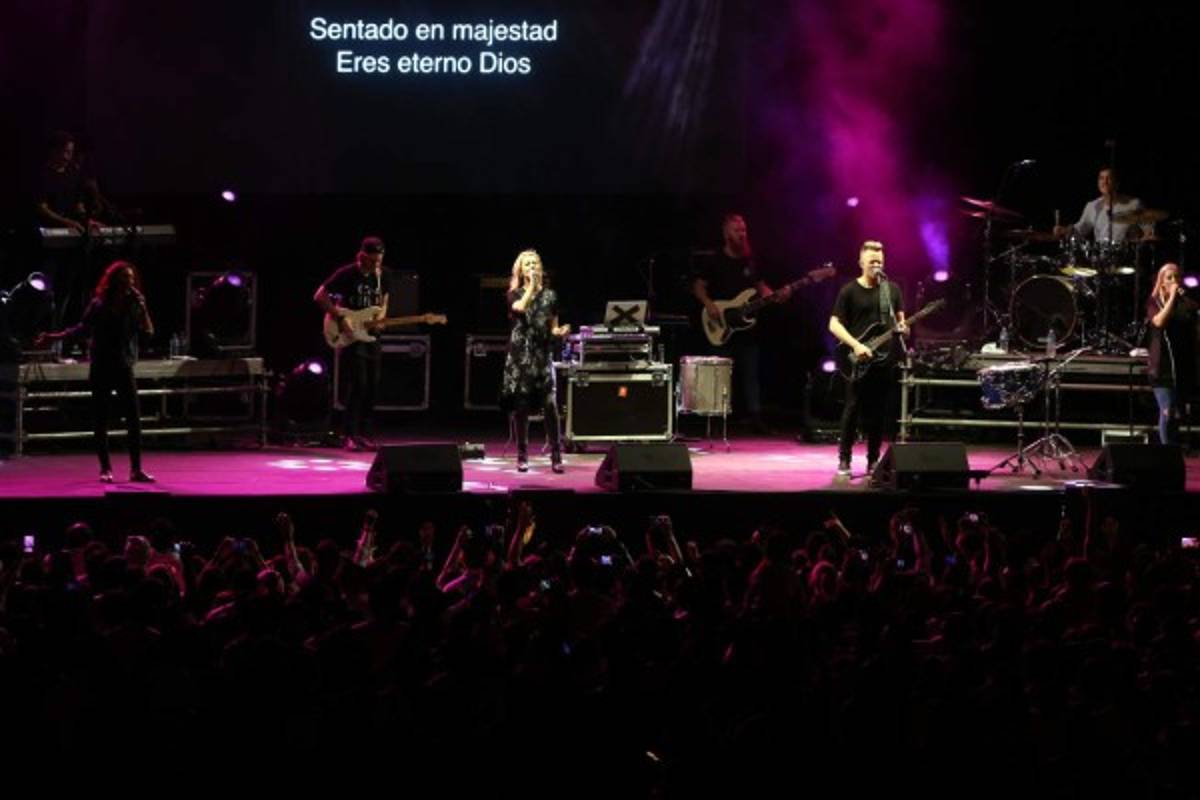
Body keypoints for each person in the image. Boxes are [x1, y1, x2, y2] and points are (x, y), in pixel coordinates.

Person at [35, 260, 155, 483]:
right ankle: (105, 469)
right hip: (101, 366)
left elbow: (148, 332)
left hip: (124, 366)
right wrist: (54, 337)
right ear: (114, 280)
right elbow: (82, 329)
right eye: (124, 278)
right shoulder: (99, 304)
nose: (128, 282)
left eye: (131, 278)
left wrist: (144, 307)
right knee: (101, 419)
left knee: (133, 420)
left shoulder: (134, 304)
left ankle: (136, 469)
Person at [691, 213, 790, 434]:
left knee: (750, 373)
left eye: (744, 230)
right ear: (727, 234)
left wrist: (775, 295)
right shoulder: (714, 259)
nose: (743, 234)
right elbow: (698, 286)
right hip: (720, 325)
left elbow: (760, 287)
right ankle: (715, 419)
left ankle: (755, 418)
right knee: (718, 374)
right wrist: (708, 304)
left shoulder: (750, 260)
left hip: (746, 328)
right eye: (738, 230)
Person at [829, 240, 907, 477]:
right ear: (861, 262)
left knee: (878, 412)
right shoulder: (849, 290)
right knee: (852, 408)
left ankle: (874, 460)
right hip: (857, 358)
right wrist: (856, 345)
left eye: (880, 262)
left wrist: (904, 329)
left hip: (884, 359)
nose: (876, 265)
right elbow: (833, 324)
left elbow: (901, 322)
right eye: (872, 261)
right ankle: (844, 458)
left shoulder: (891, 290)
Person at [314, 236, 390, 451]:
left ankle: (365, 434)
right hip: (350, 336)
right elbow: (320, 295)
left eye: (379, 259)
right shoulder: (347, 273)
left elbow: (384, 300)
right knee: (358, 384)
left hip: (371, 336)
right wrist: (339, 317)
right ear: (362, 256)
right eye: (372, 260)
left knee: (372, 385)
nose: (376, 264)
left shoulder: (383, 275)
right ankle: (349, 434)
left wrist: (381, 319)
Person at [500, 249, 570, 473]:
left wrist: (560, 331)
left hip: (542, 356)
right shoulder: (514, 293)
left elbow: (553, 326)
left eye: (534, 264)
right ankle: (522, 455)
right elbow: (519, 308)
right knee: (522, 407)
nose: (531, 267)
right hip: (521, 358)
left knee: (550, 405)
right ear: (520, 270)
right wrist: (530, 288)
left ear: (540, 268)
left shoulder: (551, 296)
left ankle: (556, 454)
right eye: (526, 264)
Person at [1145, 262, 1196, 445]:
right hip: (1162, 367)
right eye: (1169, 278)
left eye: (1177, 277)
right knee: (1166, 411)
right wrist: (1173, 296)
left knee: (1175, 414)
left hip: (1181, 366)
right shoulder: (1153, 302)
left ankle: (1172, 451)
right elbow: (1159, 322)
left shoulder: (1186, 304)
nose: (1174, 281)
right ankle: (1168, 454)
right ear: (1162, 281)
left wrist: (1183, 301)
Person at [1053, 166, 1153, 246]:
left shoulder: (1134, 204)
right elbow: (1080, 231)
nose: (1104, 182)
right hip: (1102, 258)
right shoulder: (1092, 206)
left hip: (1128, 258)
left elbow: (1149, 232)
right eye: (1101, 178)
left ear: (1117, 183)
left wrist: (1142, 243)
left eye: (1109, 178)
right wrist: (1064, 230)